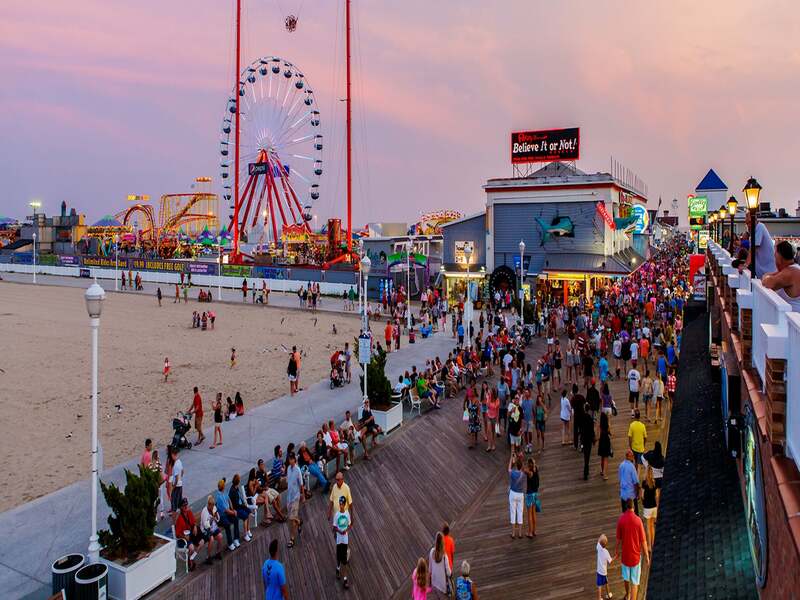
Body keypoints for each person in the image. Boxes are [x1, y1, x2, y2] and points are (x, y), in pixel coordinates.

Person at [616, 498, 650, 600]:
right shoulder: (638, 521)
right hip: (635, 557)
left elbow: (618, 539)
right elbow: (643, 541)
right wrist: (647, 556)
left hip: (625, 556)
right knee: (635, 581)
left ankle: (628, 594)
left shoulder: (621, 519)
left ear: (626, 507)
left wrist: (616, 551)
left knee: (626, 578)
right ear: (634, 507)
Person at [763, 240, 800, 311]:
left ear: (779, 257)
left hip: (792, 320)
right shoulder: (793, 269)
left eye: (775, 255)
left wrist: (766, 276)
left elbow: (767, 283)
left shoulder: (789, 273)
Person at [174, 498, 206, 570]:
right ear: (181, 507)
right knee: (191, 547)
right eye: (184, 505)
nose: (186, 507)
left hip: (190, 535)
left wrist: (194, 526)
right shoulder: (179, 519)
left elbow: (193, 522)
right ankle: (190, 562)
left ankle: (191, 558)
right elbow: (177, 534)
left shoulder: (189, 512)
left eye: (186, 505)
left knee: (202, 542)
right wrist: (184, 537)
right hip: (183, 539)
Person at [746, 208, 776, 278]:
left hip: (769, 273)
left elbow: (754, 248)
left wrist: (745, 265)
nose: (748, 225)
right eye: (746, 223)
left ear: (755, 220)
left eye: (750, 222)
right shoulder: (753, 233)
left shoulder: (760, 227)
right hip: (763, 275)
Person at [214, 478, 240, 550]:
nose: (225, 486)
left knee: (236, 519)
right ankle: (230, 543)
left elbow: (229, 500)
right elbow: (225, 510)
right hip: (222, 517)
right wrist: (233, 512)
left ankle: (236, 539)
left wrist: (233, 509)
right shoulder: (219, 497)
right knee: (227, 525)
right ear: (222, 487)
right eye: (224, 485)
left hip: (228, 513)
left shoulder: (224, 492)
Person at [332, 494, 352, 589]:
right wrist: (339, 531)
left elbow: (349, 525)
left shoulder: (347, 514)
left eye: (341, 504)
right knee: (338, 557)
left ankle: (345, 579)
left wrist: (346, 530)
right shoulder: (336, 515)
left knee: (344, 561)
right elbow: (334, 527)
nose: (340, 505)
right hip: (339, 540)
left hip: (345, 539)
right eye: (339, 503)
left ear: (344, 504)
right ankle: (337, 568)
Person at [285, 452, 304, 548]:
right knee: (291, 518)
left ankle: (292, 539)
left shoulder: (298, 470)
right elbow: (288, 481)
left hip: (296, 497)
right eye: (289, 459)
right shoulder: (288, 468)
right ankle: (299, 521)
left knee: (291, 519)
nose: (290, 460)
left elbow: (301, 484)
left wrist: (303, 495)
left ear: (294, 460)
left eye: (291, 459)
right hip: (289, 497)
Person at [228, 473, 253, 542]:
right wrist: (243, 505)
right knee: (245, 517)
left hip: (240, 506)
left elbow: (240, 498)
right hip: (236, 509)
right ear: (237, 481)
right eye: (239, 480)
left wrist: (243, 502)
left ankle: (248, 530)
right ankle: (245, 535)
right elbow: (236, 504)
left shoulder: (236, 488)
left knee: (249, 511)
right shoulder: (232, 491)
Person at [199, 494, 224, 561]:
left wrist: (216, 516)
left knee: (220, 536)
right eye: (212, 506)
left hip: (214, 528)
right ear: (209, 505)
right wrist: (211, 520)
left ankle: (218, 553)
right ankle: (208, 557)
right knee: (211, 539)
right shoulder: (205, 512)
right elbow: (205, 526)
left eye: (213, 505)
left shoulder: (214, 508)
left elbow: (218, 519)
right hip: (206, 530)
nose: (213, 508)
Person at [429, 532, 452, 598]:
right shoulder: (444, 556)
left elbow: (430, 570)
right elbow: (448, 573)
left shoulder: (431, 552)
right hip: (442, 586)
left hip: (434, 583)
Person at [508, 454, 525, 539]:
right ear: (521, 466)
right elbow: (523, 467)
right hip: (520, 494)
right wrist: (521, 459)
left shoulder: (513, 473)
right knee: (520, 512)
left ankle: (513, 533)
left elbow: (509, 468)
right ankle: (520, 533)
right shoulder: (523, 474)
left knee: (513, 512)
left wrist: (511, 459)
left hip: (513, 493)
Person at [641, 465, 658, 548]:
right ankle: (653, 543)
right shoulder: (654, 483)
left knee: (647, 527)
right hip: (654, 507)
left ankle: (649, 546)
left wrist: (643, 502)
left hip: (647, 507)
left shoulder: (644, 483)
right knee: (652, 526)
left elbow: (642, 495)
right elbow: (656, 496)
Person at [619, 449, 640, 514]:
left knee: (625, 513)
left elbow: (620, 478)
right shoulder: (631, 466)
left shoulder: (621, 465)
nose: (633, 457)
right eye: (632, 456)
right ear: (627, 457)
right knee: (635, 514)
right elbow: (636, 482)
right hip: (631, 495)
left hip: (623, 494)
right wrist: (637, 493)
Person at [580, 402, 596, 481]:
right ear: (589, 409)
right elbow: (592, 430)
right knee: (587, 456)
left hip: (583, 439)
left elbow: (581, 430)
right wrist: (593, 439)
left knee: (585, 456)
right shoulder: (590, 418)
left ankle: (586, 471)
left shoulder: (582, 418)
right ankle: (586, 471)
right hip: (589, 439)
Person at [524, 457, 540, 537]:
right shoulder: (536, 469)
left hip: (530, 495)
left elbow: (523, 469)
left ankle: (530, 532)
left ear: (529, 465)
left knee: (529, 514)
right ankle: (534, 530)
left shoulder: (529, 473)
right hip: (535, 494)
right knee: (534, 513)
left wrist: (520, 458)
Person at [596, 533, 614, 600]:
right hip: (604, 571)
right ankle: (608, 594)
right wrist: (615, 557)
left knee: (599, 585)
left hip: (599, 570)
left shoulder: (598, 547)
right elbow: (610, 561)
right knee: (606, 582)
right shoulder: (606, 552)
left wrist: (601, 536)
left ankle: (599, 598)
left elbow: (599, 540)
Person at [169, 446, 184, 514]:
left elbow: (176, 478)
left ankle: (174, 524)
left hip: (176, 487)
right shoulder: (179, 461)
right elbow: (183, 471)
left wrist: (173, 487)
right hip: (180, 485)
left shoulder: (175, 465)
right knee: (180, 503)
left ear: (173, 454)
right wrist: (180, 478)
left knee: (174, 506)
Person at [598, 412, 612, 480]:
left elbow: (599, 434)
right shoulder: (607, 425)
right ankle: (605, 474)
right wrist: (609, 420)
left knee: (602, 457)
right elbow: (609, 431)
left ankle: (601, 470)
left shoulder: (600, 426)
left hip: (601, 440)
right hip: (606, 440)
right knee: (606, 458)